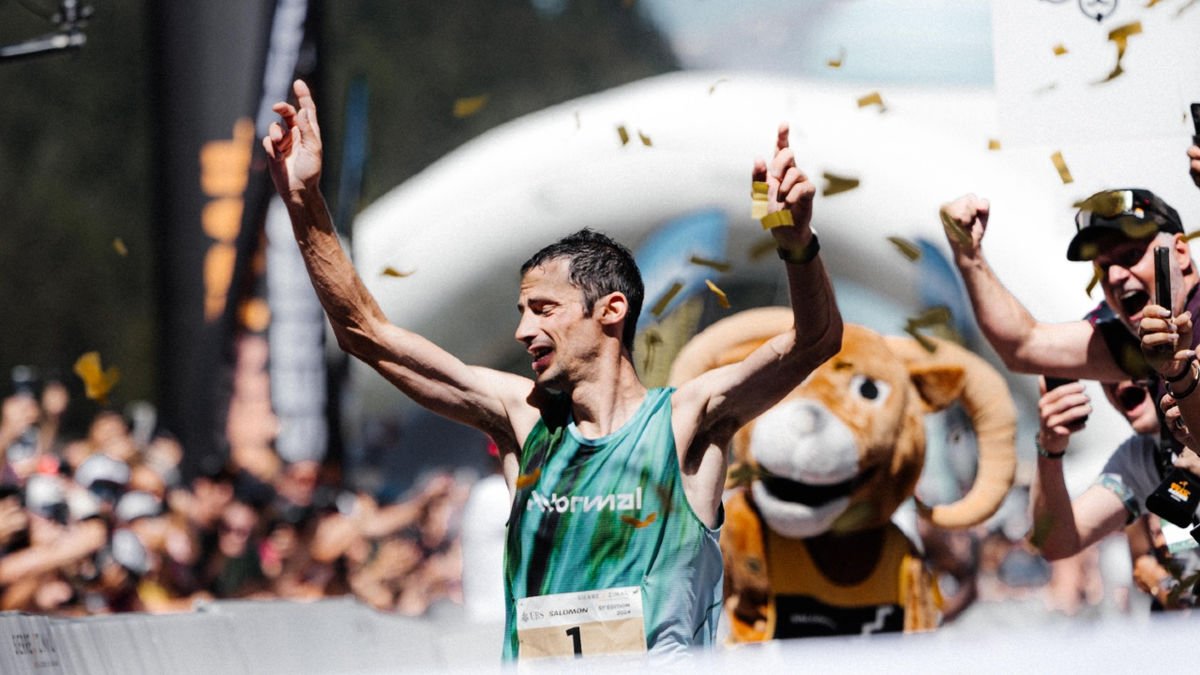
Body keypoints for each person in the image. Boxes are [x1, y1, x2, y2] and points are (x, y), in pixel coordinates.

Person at [262, 79, 842, 660]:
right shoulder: (525, 420)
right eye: (521, 312)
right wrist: (304, 201)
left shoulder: (685, 420)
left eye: (543, 310)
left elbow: (813, 342)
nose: (523, 331)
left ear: (611, 311)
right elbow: (367, 335)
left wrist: (796, 243)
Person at [1029, 376, 1198, 607]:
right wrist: (1049, 448)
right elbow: (1056, 542)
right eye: (1106, 375)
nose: (1121, 385)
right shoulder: (1142, 457)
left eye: (1132, 367)